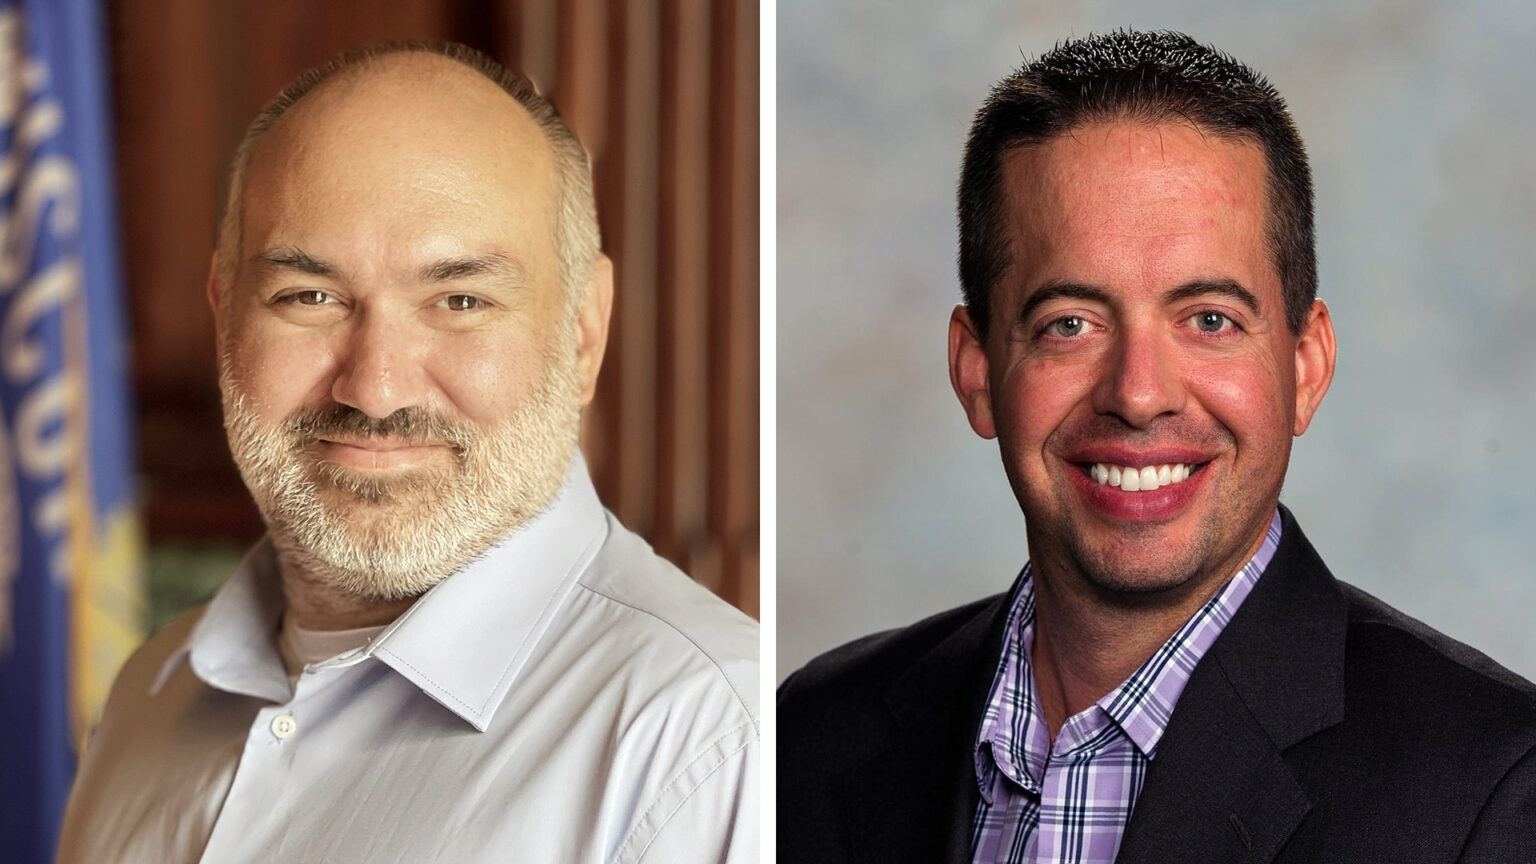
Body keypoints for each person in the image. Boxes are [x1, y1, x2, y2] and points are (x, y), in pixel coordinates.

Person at [778, 29, 1536, 864]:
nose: (1138, 393)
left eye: (1209, 319)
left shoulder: (1491, 789)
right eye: (1069, 323)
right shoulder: (810, 736)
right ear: (979, 369)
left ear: (1305, 365)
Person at [57, 41, 758, 863]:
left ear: (582, 332)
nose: (375, 388)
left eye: (459, 300)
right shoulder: (153, 693)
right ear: (225, 312)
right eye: (310, 297)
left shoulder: (708, 751)